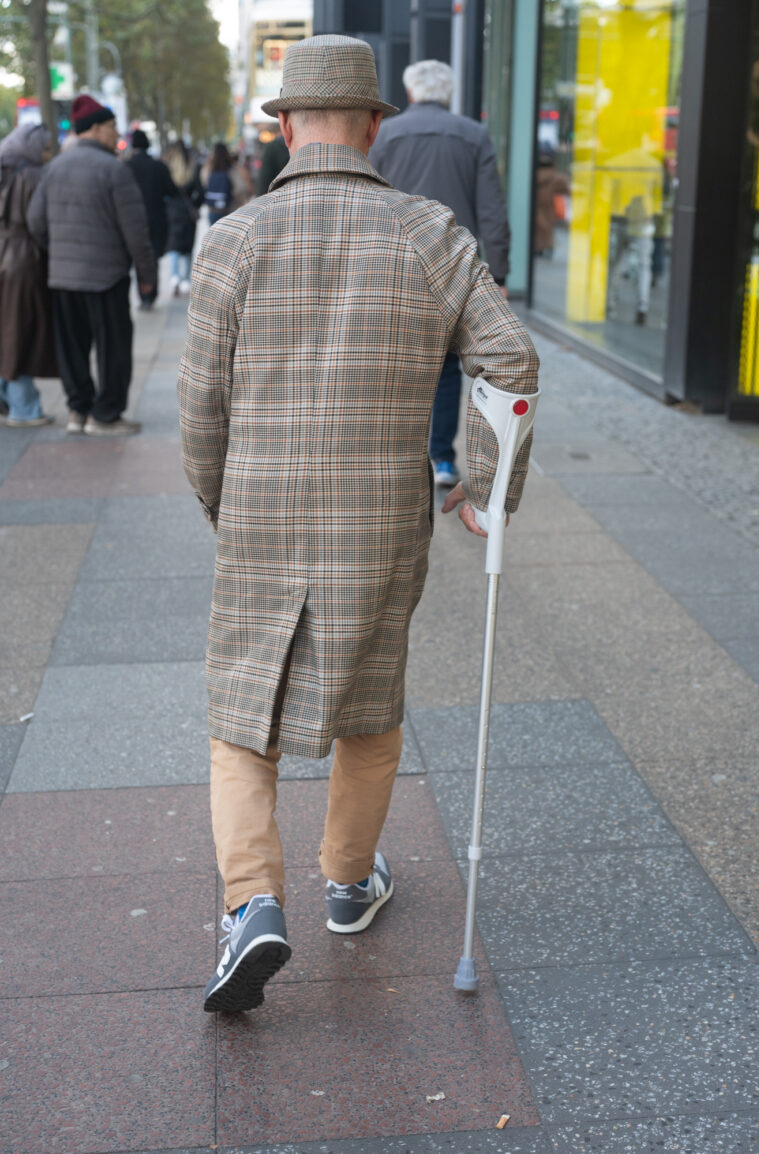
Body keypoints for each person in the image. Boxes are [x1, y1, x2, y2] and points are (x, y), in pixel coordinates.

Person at [177, 34, 538, 1015]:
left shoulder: (235, 240)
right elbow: (510, 361)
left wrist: (219, 501)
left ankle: (252, 903)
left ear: (287, 128)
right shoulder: (431, 234)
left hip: (260, 509)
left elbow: (200, 404)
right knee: (370, 714)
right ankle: (347, 880)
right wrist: (482, 486)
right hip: (380, 521)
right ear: (375, 125)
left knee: (240, 721)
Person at [370, 59, 511, 488]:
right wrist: (499, 273)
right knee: (449, 368)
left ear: (410, 92)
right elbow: (491, 210)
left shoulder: (384, 134)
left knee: (392, 364)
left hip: (392, 266)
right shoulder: (474, 135)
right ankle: (443, 460)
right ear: (448, 93)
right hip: (454, 268)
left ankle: (393, 457)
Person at [27, 94, 156, 436]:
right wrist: (147, 275)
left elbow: (35, 221)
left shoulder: (54, 168)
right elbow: (136, 231)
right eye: (112, 126)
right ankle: (106, 415)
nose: (117, 133)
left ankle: (77, 411)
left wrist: (58, 252)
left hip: (63, 278)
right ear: (95, 128)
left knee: (72, 348)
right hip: (106, 276)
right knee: (113, 348)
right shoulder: (115, 169)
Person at [0, 123, 56, 427]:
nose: (46, 155)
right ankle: (24, 407)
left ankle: (11, 400)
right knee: (21, 332)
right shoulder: (33, 175)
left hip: (5, 253)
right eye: (44, 148)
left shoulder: (5, 170)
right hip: (24, 260)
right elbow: (40, 222)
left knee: (7, 331)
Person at [126, 128, 177, 308]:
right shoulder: (158, 166)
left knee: (137, 256)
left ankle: (143, 294)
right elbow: (172, 190)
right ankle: (151, 293)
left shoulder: (125, 167)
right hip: (156, 218)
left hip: (131, 219)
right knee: (152, 256)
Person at [165, 140, 202, 295]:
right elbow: (200, 190)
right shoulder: (193, 166)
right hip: (188, 210)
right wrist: (195, 204)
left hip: (172, 210)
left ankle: (174, 277)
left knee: (173, 245)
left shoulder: (168, 167)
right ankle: (186, 279)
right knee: (188, 246)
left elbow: (164, 190)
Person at [534, 144, 569, 257]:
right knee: (545, 233)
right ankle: (544, 248)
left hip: (534, 213)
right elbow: (568, 189)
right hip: (547, 213)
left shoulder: (530, 175)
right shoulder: (555, 178)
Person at [203, 142, 234, 225]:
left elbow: (204, 183)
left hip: (213, 209)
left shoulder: (209, 168)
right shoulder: (231, 169)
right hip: (228, 210)